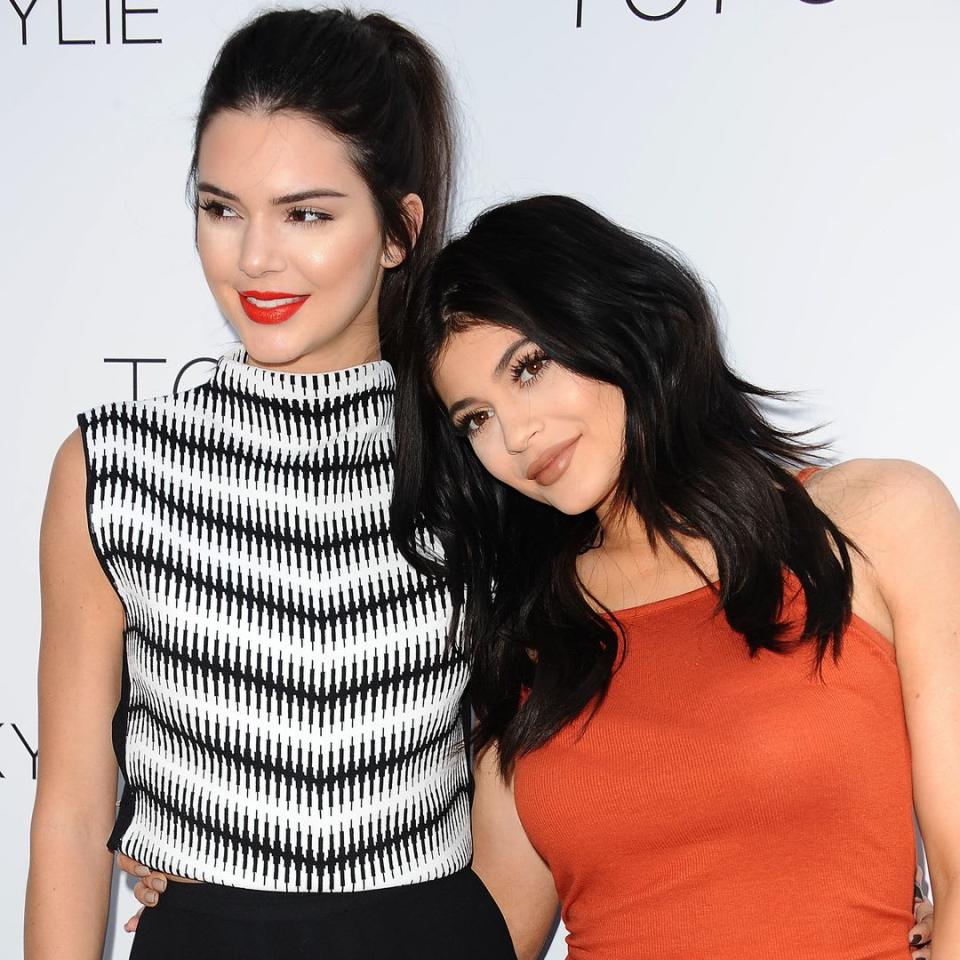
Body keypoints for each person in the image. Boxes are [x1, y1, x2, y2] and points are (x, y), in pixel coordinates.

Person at [24, 9, 524, 959]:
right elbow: (73, 803)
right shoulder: (114, 468)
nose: (254, 258)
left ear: (397, 230)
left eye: (306, 213)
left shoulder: (478, 454)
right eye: (221, 208)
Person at [389, 194, 955, 959]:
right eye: (475, 420)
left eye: (528, 368)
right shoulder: (528, 635)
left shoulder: (875, 519)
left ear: (613, 321)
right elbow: (489, 934)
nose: (514, 436)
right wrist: (218, 869)